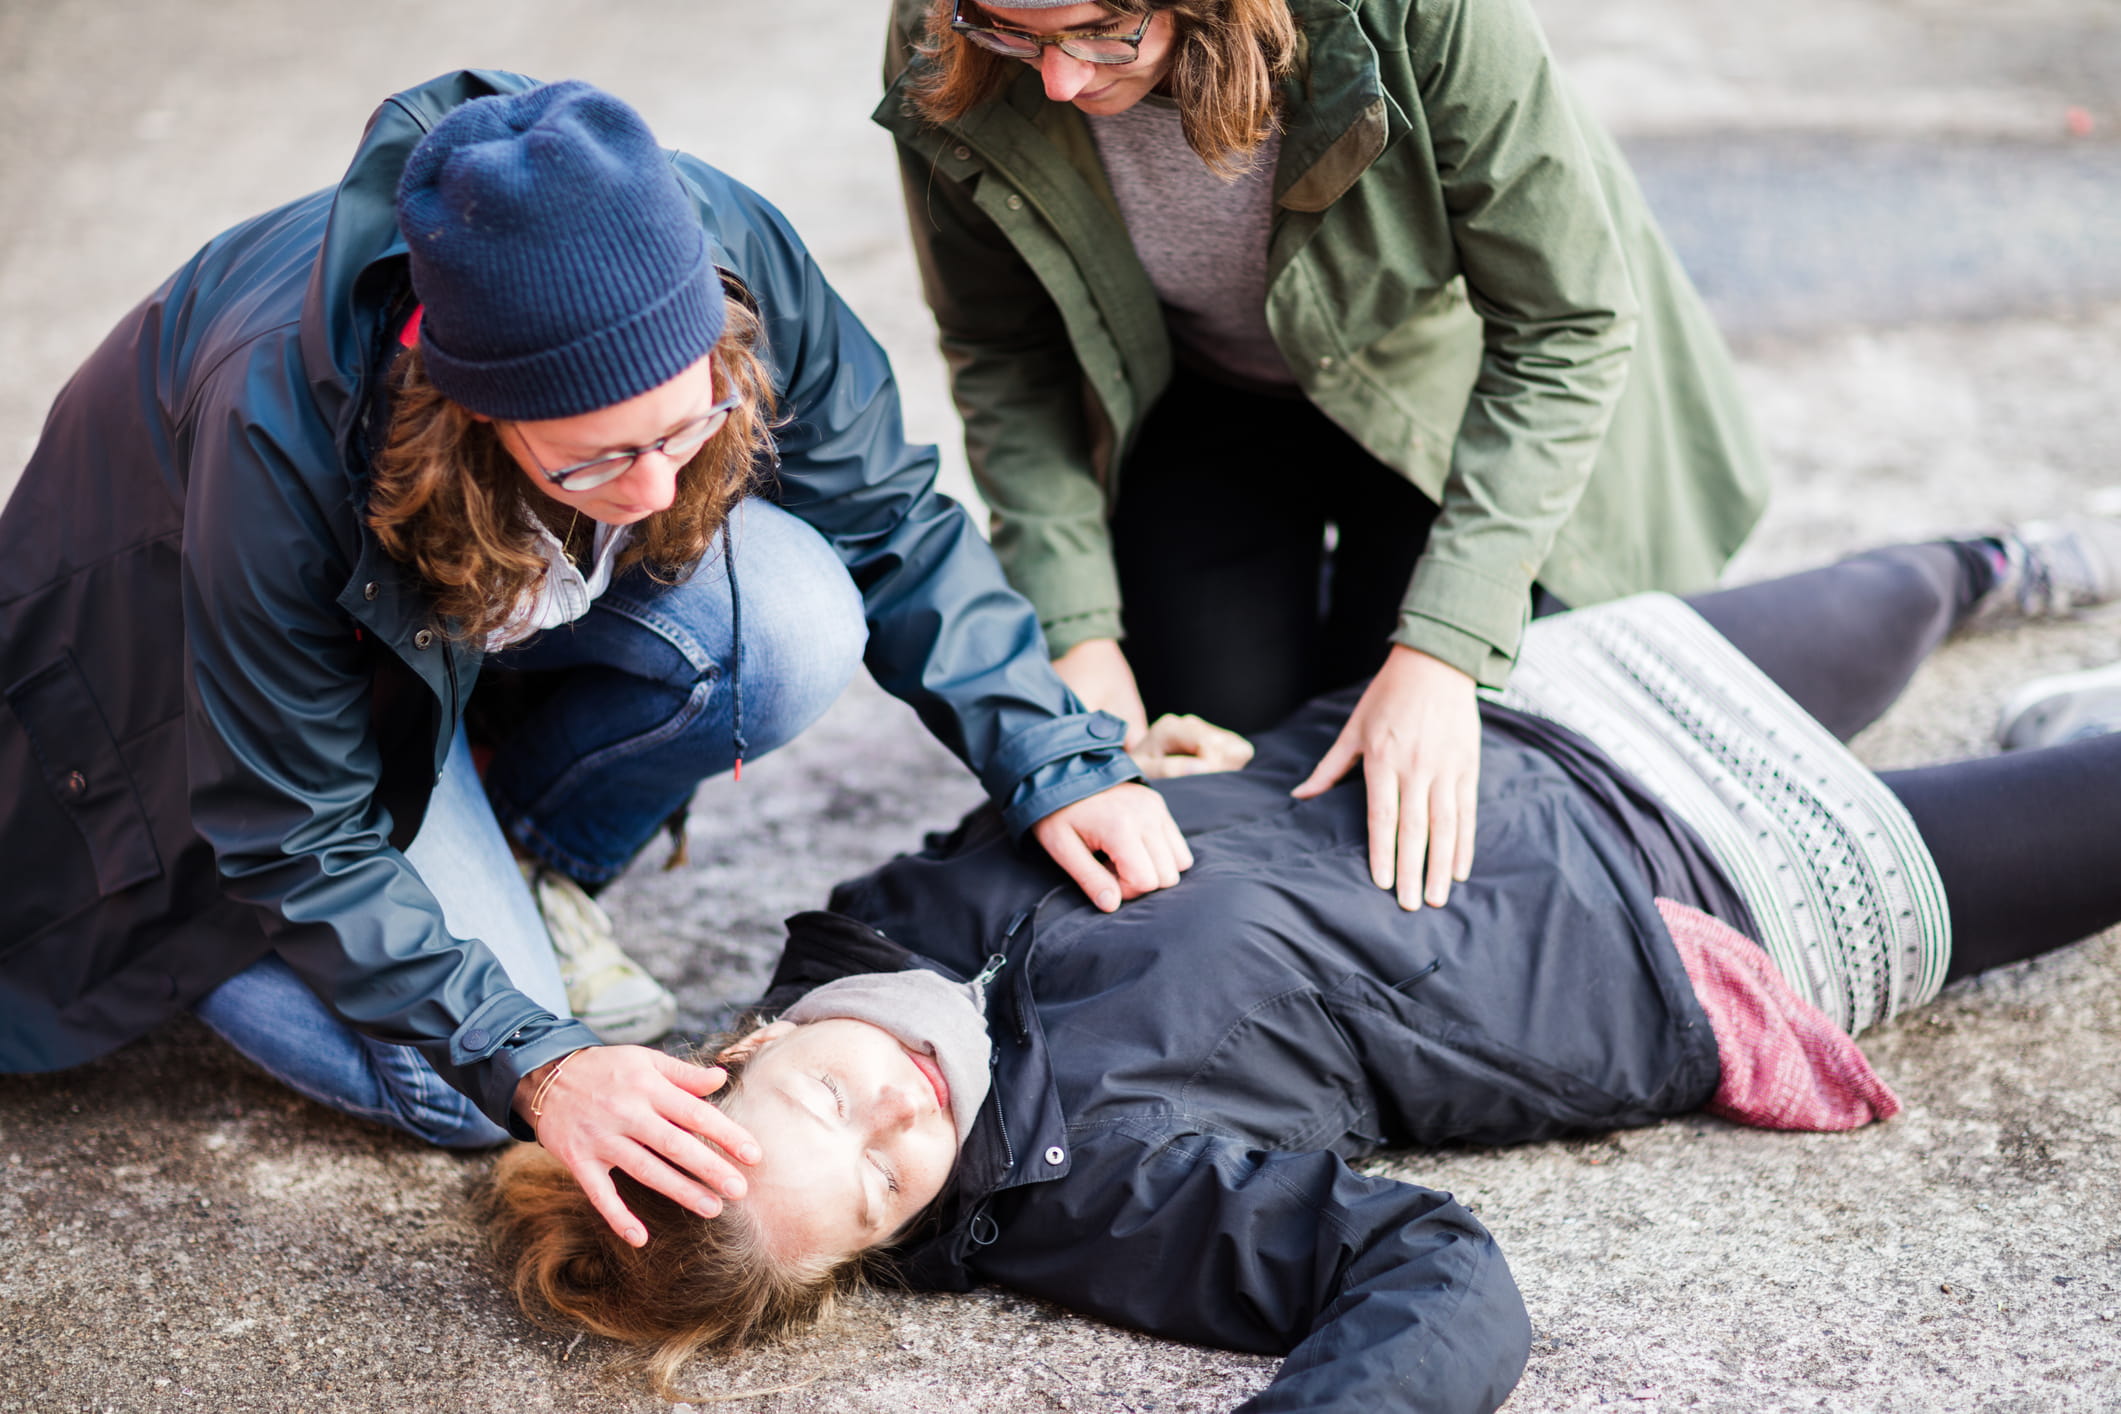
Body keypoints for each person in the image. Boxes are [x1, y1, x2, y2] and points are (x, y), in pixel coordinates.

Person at [483, 522, 2121, 1411]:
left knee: (1908, 582)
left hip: (1498, 725)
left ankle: (2017, 581)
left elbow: (1076, 809)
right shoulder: (1092, 1188)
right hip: (1686, 911)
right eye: (873, 1191)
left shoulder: (868, 925)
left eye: (830, 1107)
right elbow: (1434, 1274)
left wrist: (1165, 766)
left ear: (742, 1048)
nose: (898, 1123)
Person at [0, 72, 1191, 1250]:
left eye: (687, 425)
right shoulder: (274, 427)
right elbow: (297, 828)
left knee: (792, 617)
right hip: (211, 742)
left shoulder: (717, 242)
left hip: (433, 649)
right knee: (470, 1095)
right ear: (468, 411)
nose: (659, 491)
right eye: (597, 459)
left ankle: (518, 851)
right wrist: (540, 1063)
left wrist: (1054, 754)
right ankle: (205, 937)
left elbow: (884, 516)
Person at [877, 0, 1777, 912]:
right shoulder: (947, 29)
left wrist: (1444, 649)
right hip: (1199, 394)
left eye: (1102, 31)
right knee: (1213, 776)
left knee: (1415, 787)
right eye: (1015, 33)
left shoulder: (1418, 13)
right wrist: (1079, 635)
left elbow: (1562, 326)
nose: (1059, 80)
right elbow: (1003, 348)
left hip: (1443, 392)